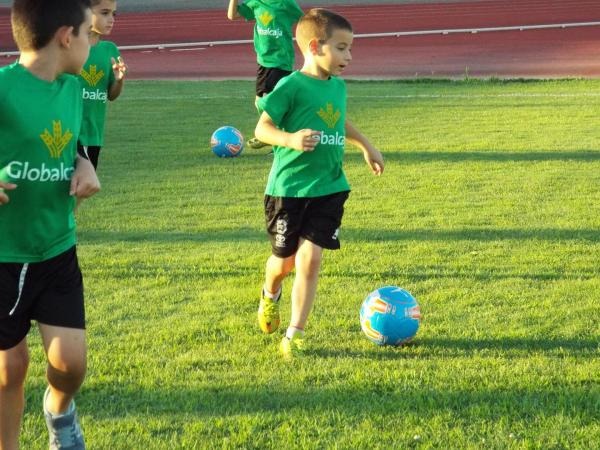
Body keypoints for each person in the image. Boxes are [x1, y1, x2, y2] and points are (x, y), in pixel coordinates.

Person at [254, 8, 384, 358]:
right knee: (284, 263)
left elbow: (339, 122)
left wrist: (366, 145)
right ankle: (270, 293)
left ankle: (295, 332)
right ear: (315, 46)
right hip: (288, 190)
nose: (349, 56)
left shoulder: (338, 87)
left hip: (329, 186)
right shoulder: (290, 85)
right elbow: (261, 129)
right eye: (342, 48)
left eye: (351, 49)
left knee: (310, 260)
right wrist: (291, 139)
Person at [0, 0, 100, 448]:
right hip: (5, 254)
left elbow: (69, 145)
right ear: (65, 36)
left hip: (57, 245)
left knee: (71, 365)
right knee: (10, 370)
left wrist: (83, 165)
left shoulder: (73, 89)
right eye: (88, 33)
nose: (91, 44)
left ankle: (59, 413)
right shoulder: (4, 89)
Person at [227, 0, 304, 149]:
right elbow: (232, 15)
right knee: (259, 102)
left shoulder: (286, 4)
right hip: (263, 61)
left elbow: (305, 22)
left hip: (281, 60)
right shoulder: (256, 2)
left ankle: (275, 138)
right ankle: (270, 133)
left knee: (269, 101)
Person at [78, 0, 127, 171]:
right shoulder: (71, 48)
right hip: (72, 133)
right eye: (104, 13)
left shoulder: (109, 50)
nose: (111, 19)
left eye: (114, 14)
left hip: (94, 134)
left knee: (81, 192)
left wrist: (119, 80)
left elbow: (111, 95)